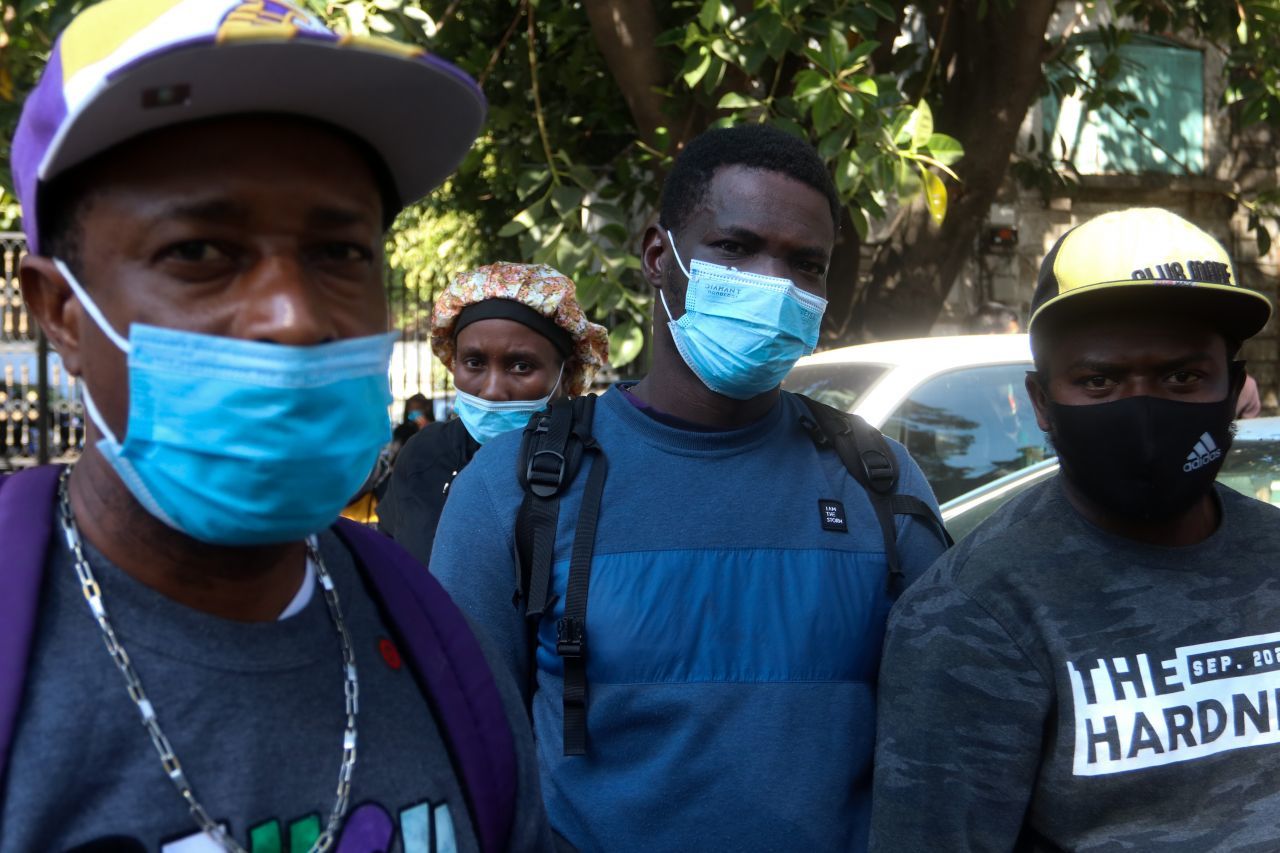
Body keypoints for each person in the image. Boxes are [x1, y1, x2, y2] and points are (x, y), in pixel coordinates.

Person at [0, 2, 551, 850]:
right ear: (62, 313)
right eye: (198, 251)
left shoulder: (445, 655)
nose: (293, 316)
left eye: (338, 255)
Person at [429, 124, 948, 852]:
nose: (773, 284)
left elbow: (942, 738)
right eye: (736, 248)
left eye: (806, 263)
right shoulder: (516, 489)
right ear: (656, 255)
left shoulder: (880, 482)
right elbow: (462, 755)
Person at [870, 208, 1280, 851]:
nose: (1144, 413)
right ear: (1041, 402)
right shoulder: (973, 611)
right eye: (1098, 381)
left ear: (1236, 387)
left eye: (1183, 376)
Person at [378, 262, 608, 563]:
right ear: (453, 362)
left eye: (521, 366)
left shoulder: (599, 466)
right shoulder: (425, 454)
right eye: (474, 363)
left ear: (567, 374)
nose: (493, 390)